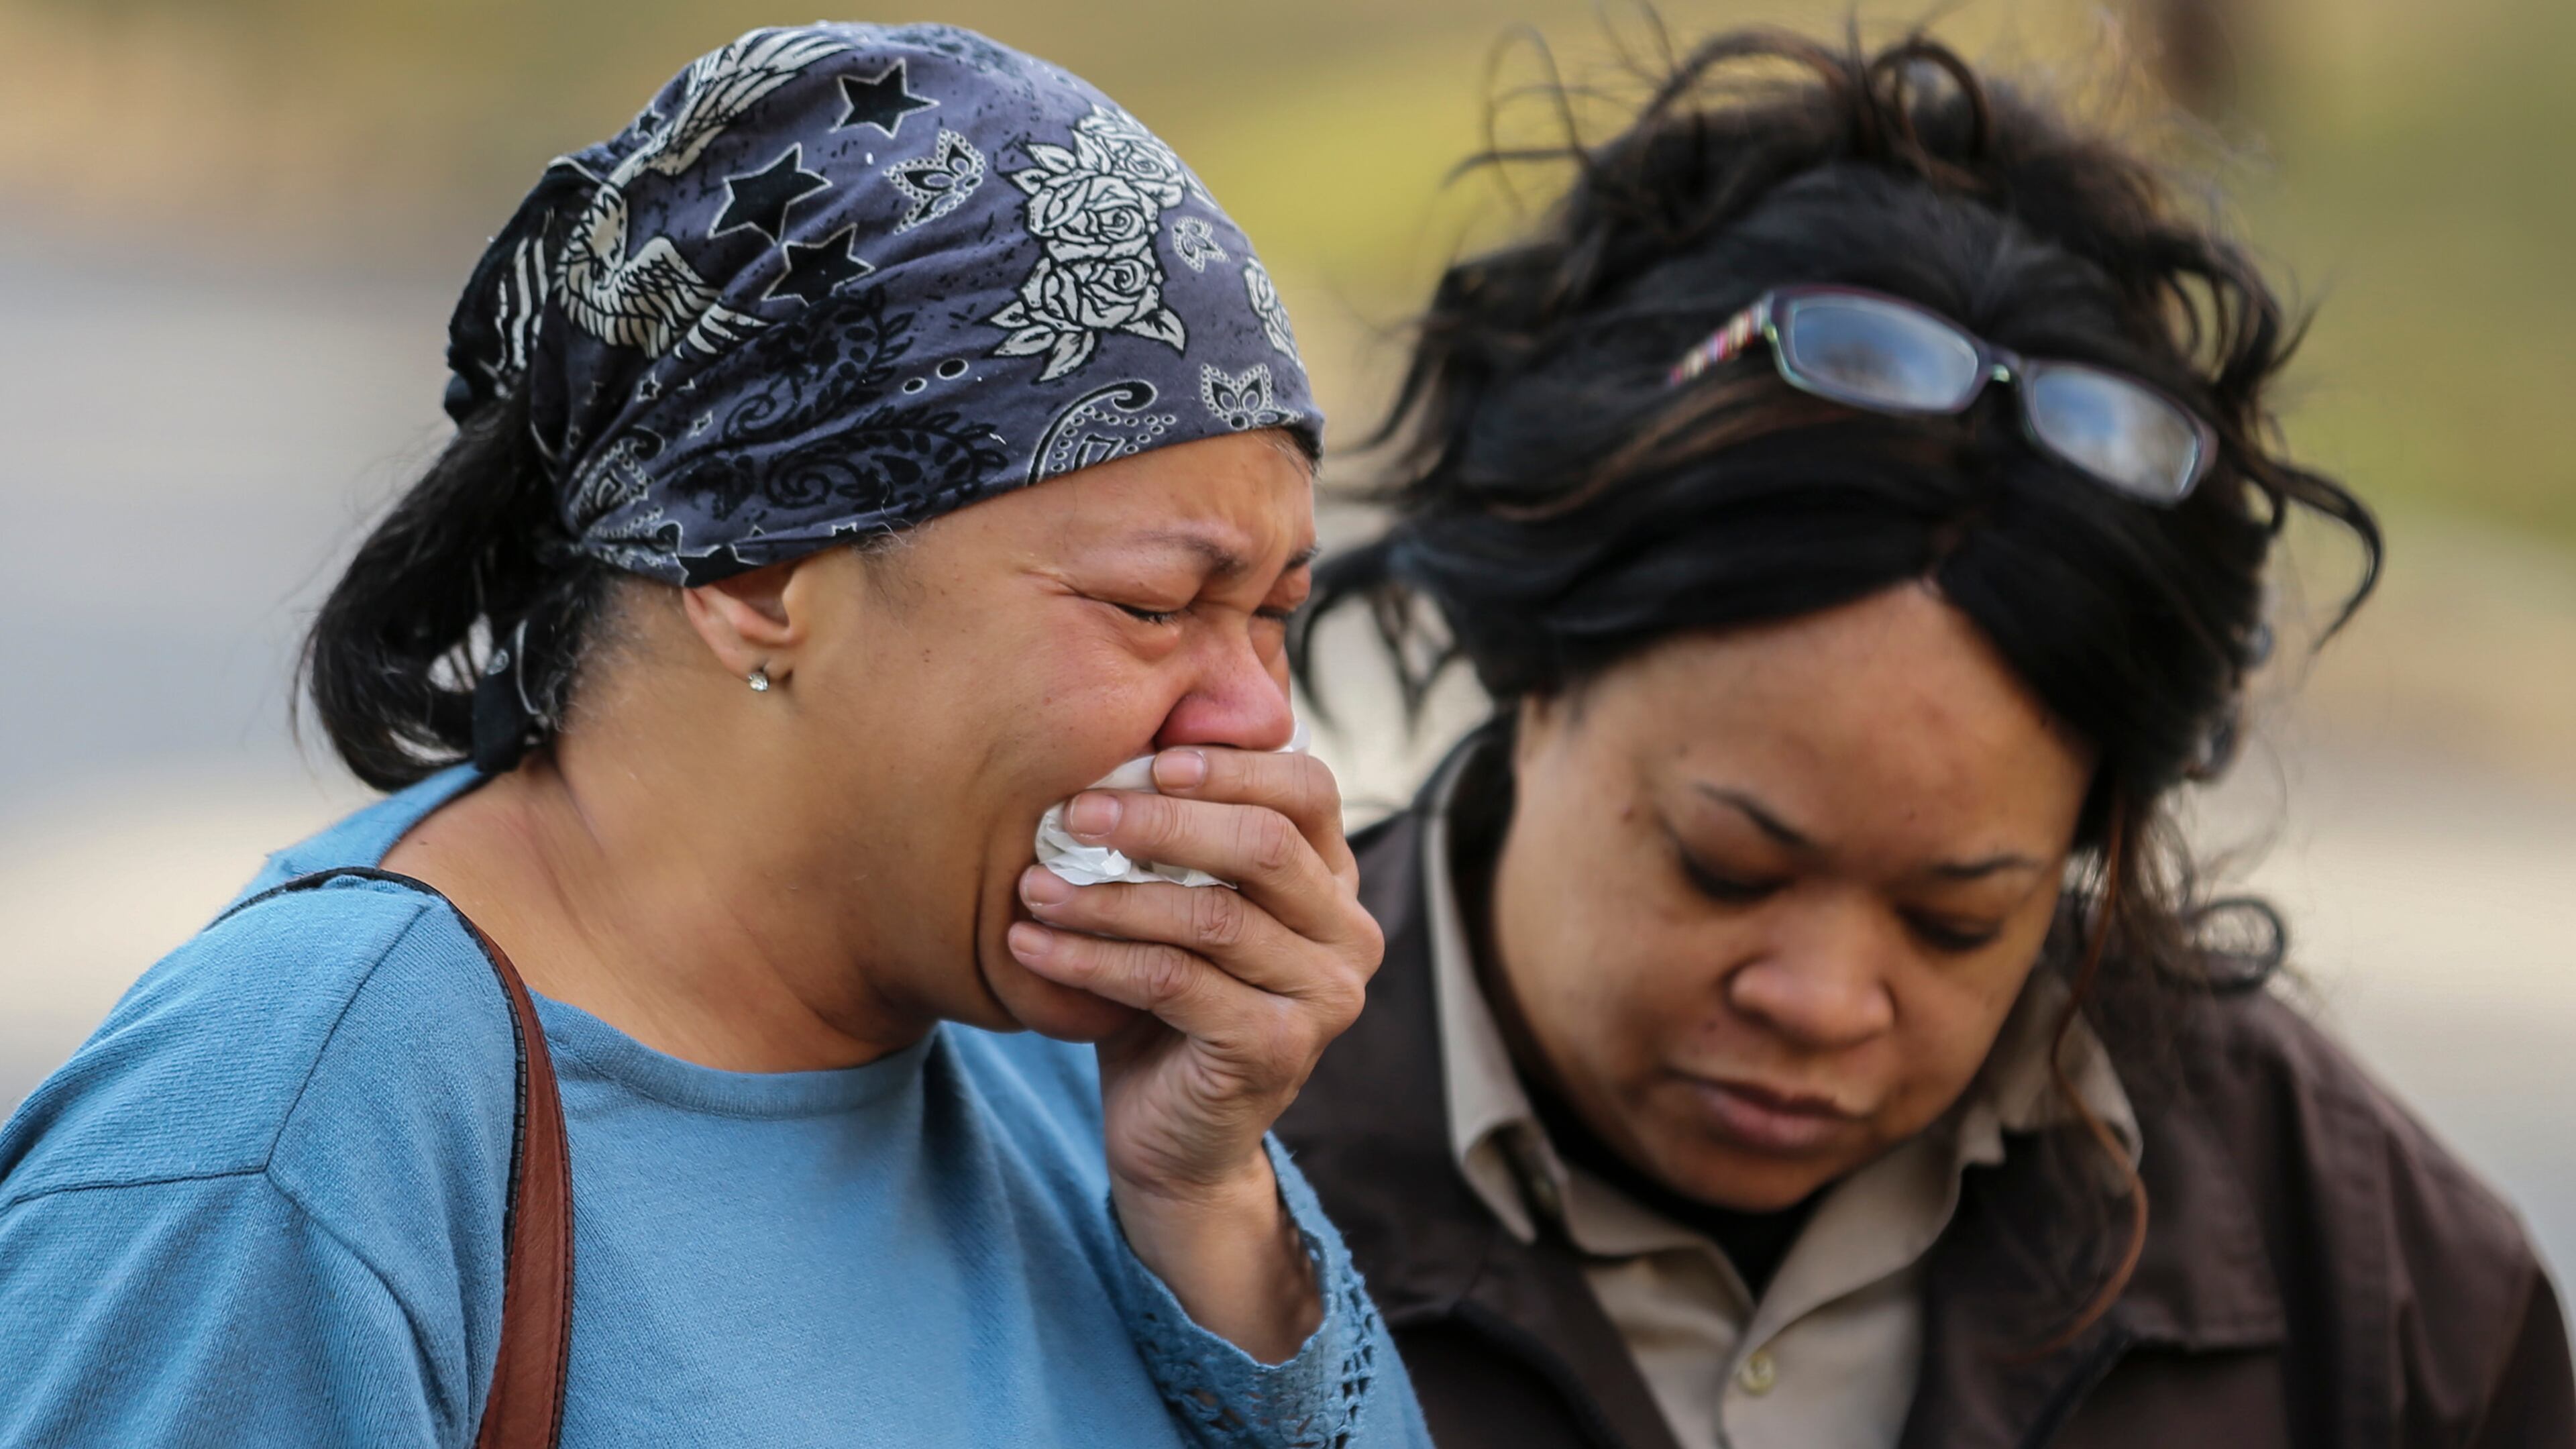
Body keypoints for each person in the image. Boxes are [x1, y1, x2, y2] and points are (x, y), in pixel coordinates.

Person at [0, 23, 1431, 1449]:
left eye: (1273, 615)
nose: (1256, 716)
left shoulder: (1085, 1065)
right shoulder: (300, 1129)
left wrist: (1212, 1205)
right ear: (752, 578)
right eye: (1153, 603)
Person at [1276, 28, 2574, 1449]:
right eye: (1727, 866)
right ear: (1532, 672)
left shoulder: (2364, 1274)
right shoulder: (1187, 1175)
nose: (1825, 1003)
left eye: (1960, 919)